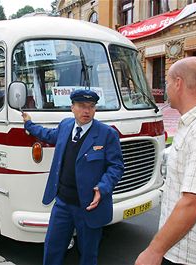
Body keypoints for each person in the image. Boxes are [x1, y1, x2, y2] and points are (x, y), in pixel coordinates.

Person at [135, 56, 196, 265]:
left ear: (178, 83)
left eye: (167, 83)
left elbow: (192, 203)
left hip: (195, 256)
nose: (166, 89)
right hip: (189, 249)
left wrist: (154, 251)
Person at [22, 90, 124, 265]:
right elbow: (48, 135)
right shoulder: (65, 126)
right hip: (62, 204)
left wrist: (103, 187)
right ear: (72, 108)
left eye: (91, 107)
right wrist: (29, 125)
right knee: (53, 247)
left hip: (90, 207)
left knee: (88, 254)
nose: (87, 111)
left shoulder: (107, 134)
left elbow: (116, 167)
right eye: (82, 106)